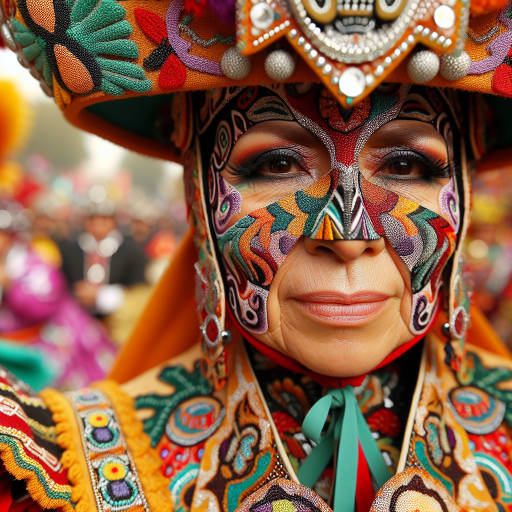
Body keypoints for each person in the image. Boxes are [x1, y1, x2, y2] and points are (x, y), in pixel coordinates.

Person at [0, 1, 511, 511]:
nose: (348, 234)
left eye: (406, 164)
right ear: (200, 198)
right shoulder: (56, 482)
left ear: (463, 188)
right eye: (278, 163)